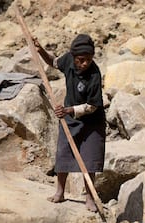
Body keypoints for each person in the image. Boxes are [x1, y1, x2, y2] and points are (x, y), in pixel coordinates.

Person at [33, 34, 106, 212]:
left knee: (89, 160)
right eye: (81, 60)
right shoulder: (67, 60)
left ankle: (89, 198)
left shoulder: (94, 74)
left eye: (88, 60)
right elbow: (53, 62)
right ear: (73, 57)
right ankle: (59, 192)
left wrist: (69, 110)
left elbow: (92, 105)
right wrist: (40, 49)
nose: (85, 64)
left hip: (92, 122)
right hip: (70, 120)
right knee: (63, 154)